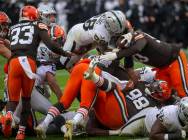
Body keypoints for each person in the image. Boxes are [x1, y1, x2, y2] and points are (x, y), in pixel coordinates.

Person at [35, 57, 168, 139]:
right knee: (84, 72)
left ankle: (47, 123)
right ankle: (55, 124)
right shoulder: (146, 91)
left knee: (69, 99)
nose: (153, 88)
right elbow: (90, 129)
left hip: (120, 116)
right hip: (112, 111)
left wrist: (115, 132)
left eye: (156, 90)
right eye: (155, 86)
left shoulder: (153, 105)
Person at [4, 5, 72, 140]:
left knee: (14, 102)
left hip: (13, 67)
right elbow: (51, 46)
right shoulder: (38, 26)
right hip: (27, 66)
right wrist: (64, 53)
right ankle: (21, 131)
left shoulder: (13, 28)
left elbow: (12, 45)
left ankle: (8, 117)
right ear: (36, 16)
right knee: (48, 110)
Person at [98, 31, 188, 100]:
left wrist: (116, 55)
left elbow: (138, 48)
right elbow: (129, 69)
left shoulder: (139, 36)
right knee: (162, 94)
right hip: (161, 68)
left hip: (174, 59)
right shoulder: (128, 51)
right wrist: (134, 85)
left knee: (183, 92)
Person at [59, 10, 129, 70]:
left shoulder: (107, 16)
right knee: (65, 64)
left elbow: (123, 23)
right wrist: (120, 52)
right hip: (76, 39)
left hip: (84, 34)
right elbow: (104, 51)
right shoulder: (102, 34)